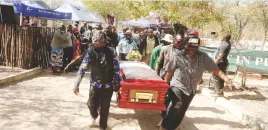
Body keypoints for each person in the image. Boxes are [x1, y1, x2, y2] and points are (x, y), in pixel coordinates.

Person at [159, 36, 233, 130]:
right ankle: (165, 127)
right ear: (185, 46)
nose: (192, 51)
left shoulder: (203, 57)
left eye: (194, 48)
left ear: (198, 47)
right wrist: (165, 85)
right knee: (177, 107)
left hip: (191, 89)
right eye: (189, 48)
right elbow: (169, 72)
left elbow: (216, 70)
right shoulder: (178, 56)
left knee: (181, 110)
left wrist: (226, 79)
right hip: (178, 86)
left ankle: (168, 126)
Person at [73, 30, 121, 130]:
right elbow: (83, 67)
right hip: (94, 85)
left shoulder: (111, 51)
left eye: (101, 42)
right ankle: (93, 115)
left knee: (105, 108)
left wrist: (117, 82)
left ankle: (103, 126)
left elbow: (117, 68)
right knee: (91, 104)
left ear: (104, 41)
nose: (99, 43)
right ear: (94, 41)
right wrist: (76, 84)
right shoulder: (90, 52)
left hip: (108, 85)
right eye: (97, 42)